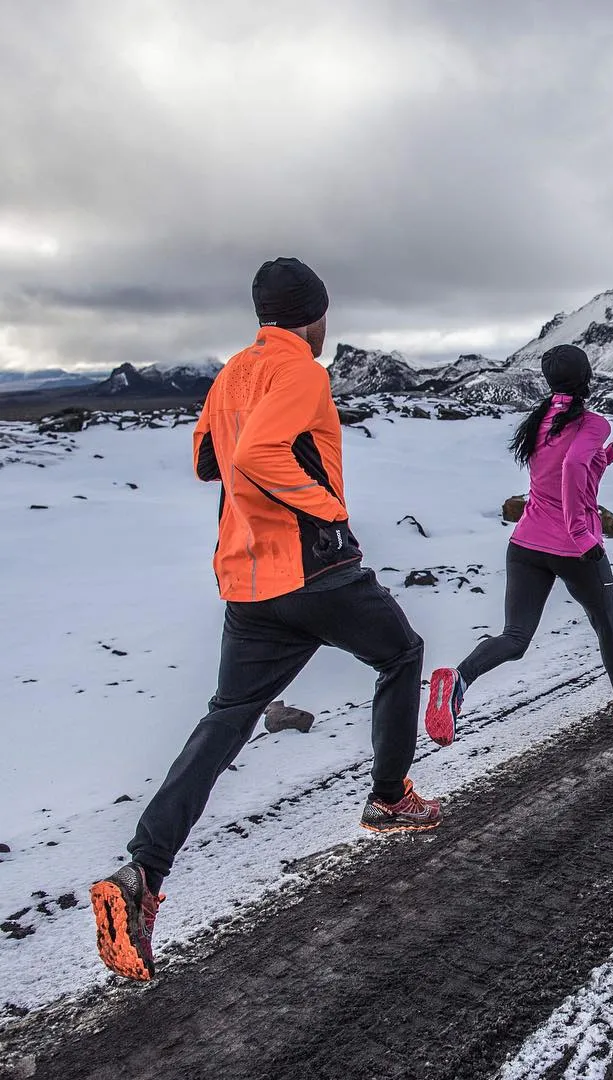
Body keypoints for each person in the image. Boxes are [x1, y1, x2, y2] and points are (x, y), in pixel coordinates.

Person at [89, 257, 439, 983]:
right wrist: (327, 508)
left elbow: (208, 462)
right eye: (323, 314)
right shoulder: (304, 371)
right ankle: (388, 798)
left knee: (228, 717)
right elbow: (252, 453)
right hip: (315, 571)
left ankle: (143, 876)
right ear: (313, 314)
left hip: (248, 584)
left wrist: (260, 457)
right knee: (401, 655)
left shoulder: (231, 374)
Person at [424, 343, 613, 746]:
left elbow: (566, 469)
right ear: (586, 378)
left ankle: (459, 678)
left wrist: (607, 458)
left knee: (515, 637)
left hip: (527, 544)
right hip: (573, 549)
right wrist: (580, 533)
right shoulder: (593, 422)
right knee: (605, 624)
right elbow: (571, 467)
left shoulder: (541, 421)